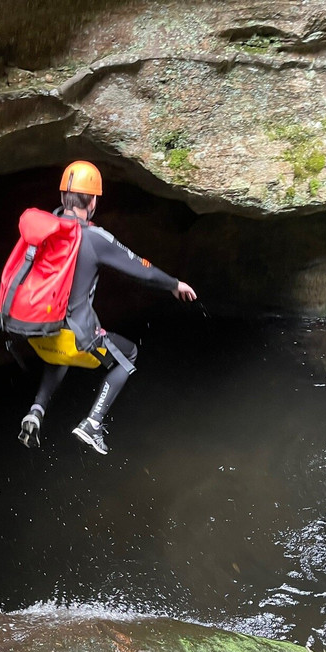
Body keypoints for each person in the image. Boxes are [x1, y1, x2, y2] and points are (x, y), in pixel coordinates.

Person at [19, 160, 198, 454]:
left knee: (61, 348)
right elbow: (141, 269)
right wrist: (174, 284)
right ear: (92, 201)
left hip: (36, 331)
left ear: (63, 196)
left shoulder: (44, 230)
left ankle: (36, 410)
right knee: (128, 355)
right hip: (76, 336)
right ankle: (92, 423)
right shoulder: (93, 237)